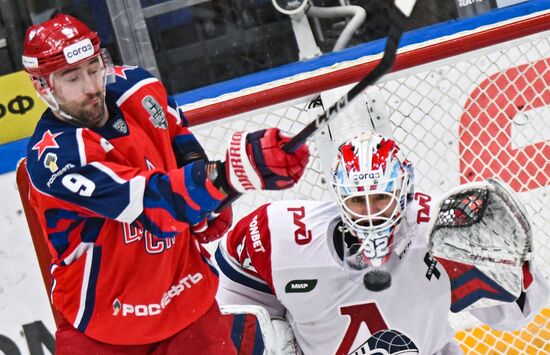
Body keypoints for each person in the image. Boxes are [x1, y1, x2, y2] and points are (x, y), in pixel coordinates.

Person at [21, 14, 309, 354]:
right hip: (105, 327)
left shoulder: (139, 89)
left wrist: (212, 201)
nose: (91, 86)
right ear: (44, 87)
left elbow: (180, 144)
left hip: (187, 304)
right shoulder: (56, 158)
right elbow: (151, 203)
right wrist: (231, 173)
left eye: (94, 67)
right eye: (72, 78)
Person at [214, 131, 549, 354]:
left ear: (404, 191)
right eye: (359, 201)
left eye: (381, 198)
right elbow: (232, 308)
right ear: (339, 197)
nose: (371, 214)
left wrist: (516, 265)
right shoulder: (279, 233)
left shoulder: (442, 232)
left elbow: (515, 317)